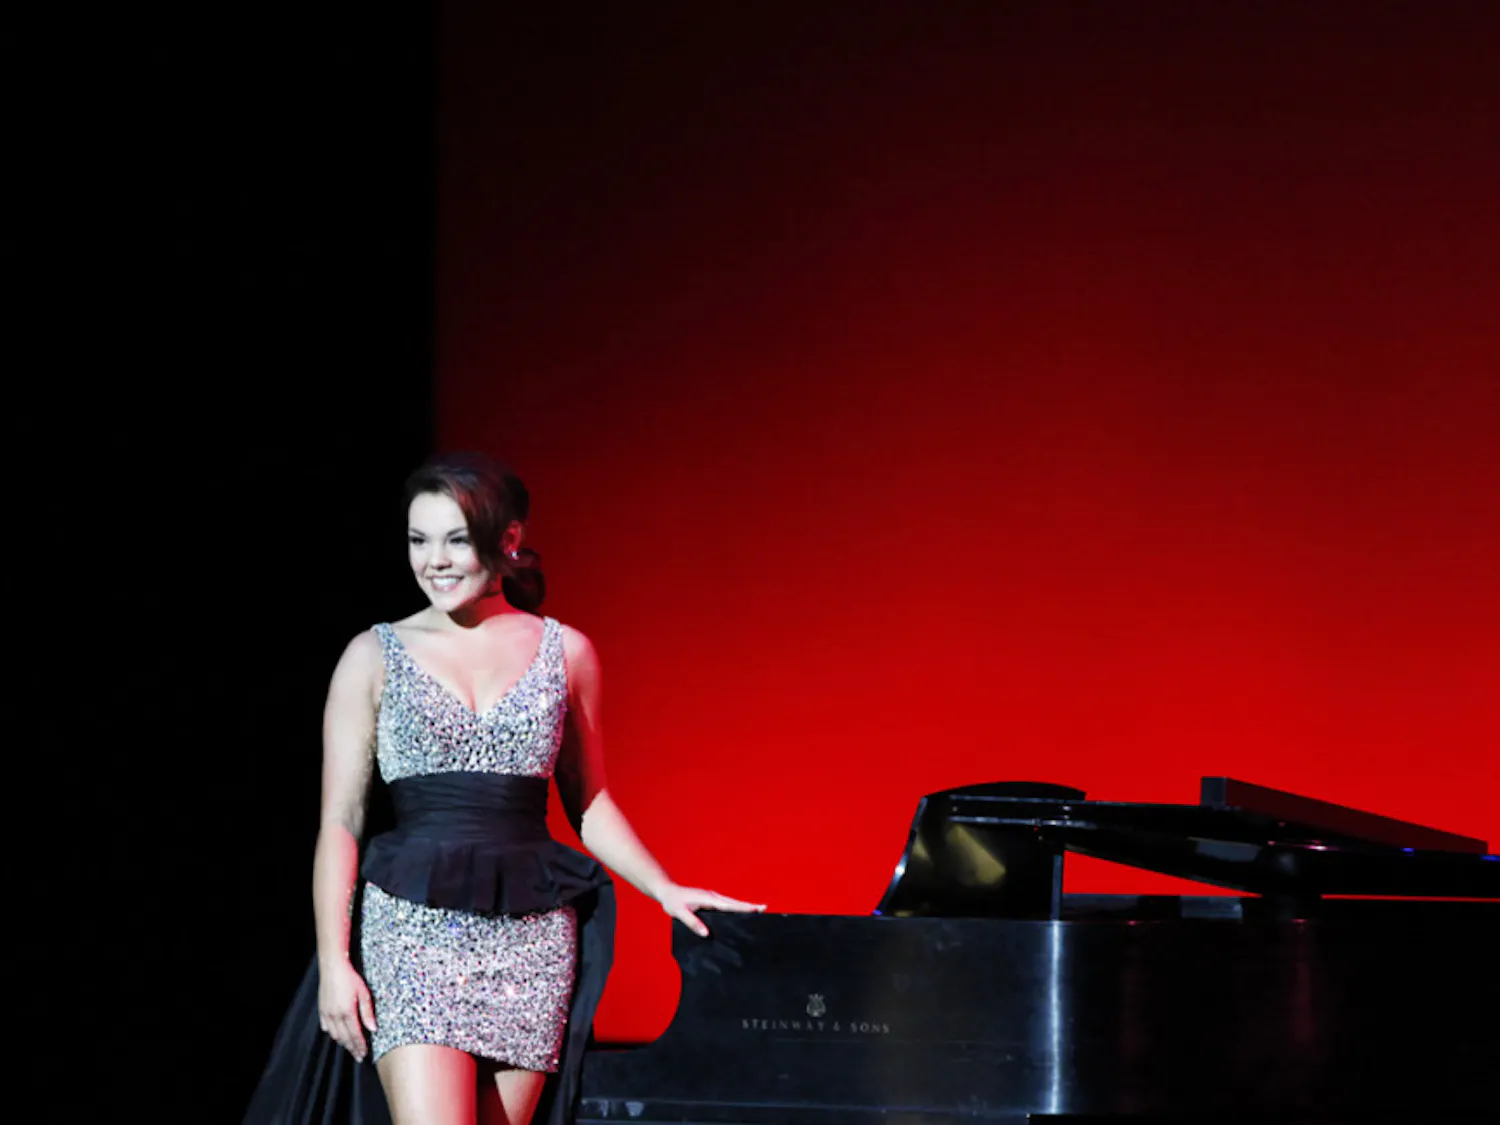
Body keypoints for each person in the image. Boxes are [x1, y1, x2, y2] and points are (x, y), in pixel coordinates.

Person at [245, 452, 762, 1125]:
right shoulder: (371, 655)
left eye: (455, 538)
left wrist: (663, 886)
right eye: (417, 539)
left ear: (509, 539)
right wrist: (335, 960)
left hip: (531, 937)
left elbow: (590, 801)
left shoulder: (566, 651)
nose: (433, 559)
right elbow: (340, 821)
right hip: (411, 927)